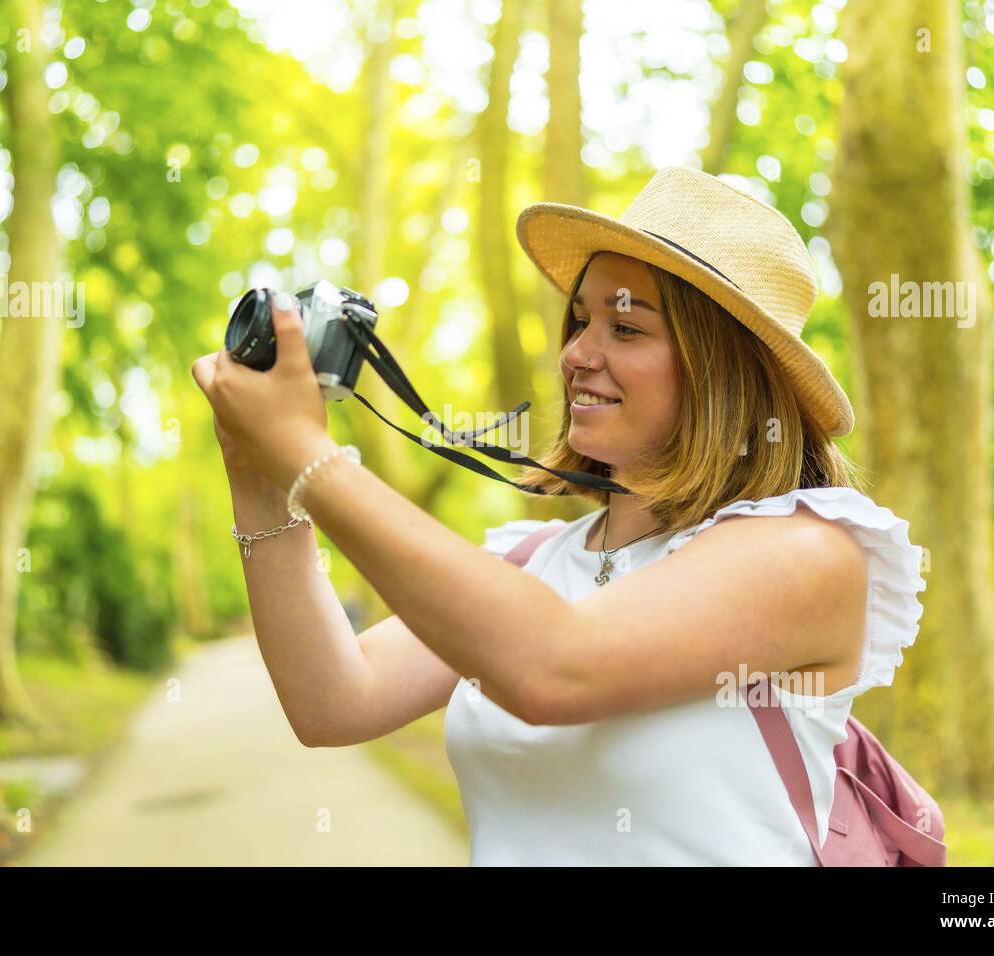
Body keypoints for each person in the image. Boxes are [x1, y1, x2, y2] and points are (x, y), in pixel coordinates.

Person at [190, 165, 926, 866]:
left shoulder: (804, 554)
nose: (577, 353)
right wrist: (257, 473)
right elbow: (333, 701)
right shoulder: (532, 560)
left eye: (625, 329)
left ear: (723, 372)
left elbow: (554, 668)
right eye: (580, 321)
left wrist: (306, 456)